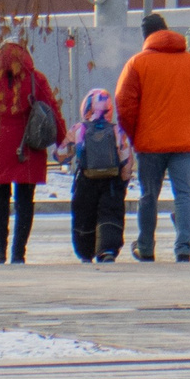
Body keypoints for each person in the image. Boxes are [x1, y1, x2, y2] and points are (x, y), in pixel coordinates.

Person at [115, 21, 190, 263]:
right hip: (185, 142)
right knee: (184, 194)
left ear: (147, 37)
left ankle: (145, 246)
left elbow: (124, 104)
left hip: (149, 143)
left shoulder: (138, 63)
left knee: (148, 195)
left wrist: (133, 135)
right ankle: (184, 247)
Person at [0, 39, 64, 265]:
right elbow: (52, 111)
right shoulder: (35, 79)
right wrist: (61, 140)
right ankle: (19, 253)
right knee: (25, 199)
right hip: (27, 145)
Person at [65, 87, 130, 263]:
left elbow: (61, 153)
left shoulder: (79, 129)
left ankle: (85, 251)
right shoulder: (117, 131)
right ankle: (107, 249)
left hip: (86, 180)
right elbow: (125, 159)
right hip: (111, 182)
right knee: (110, 213)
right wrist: (124, 181)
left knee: (85, 214)